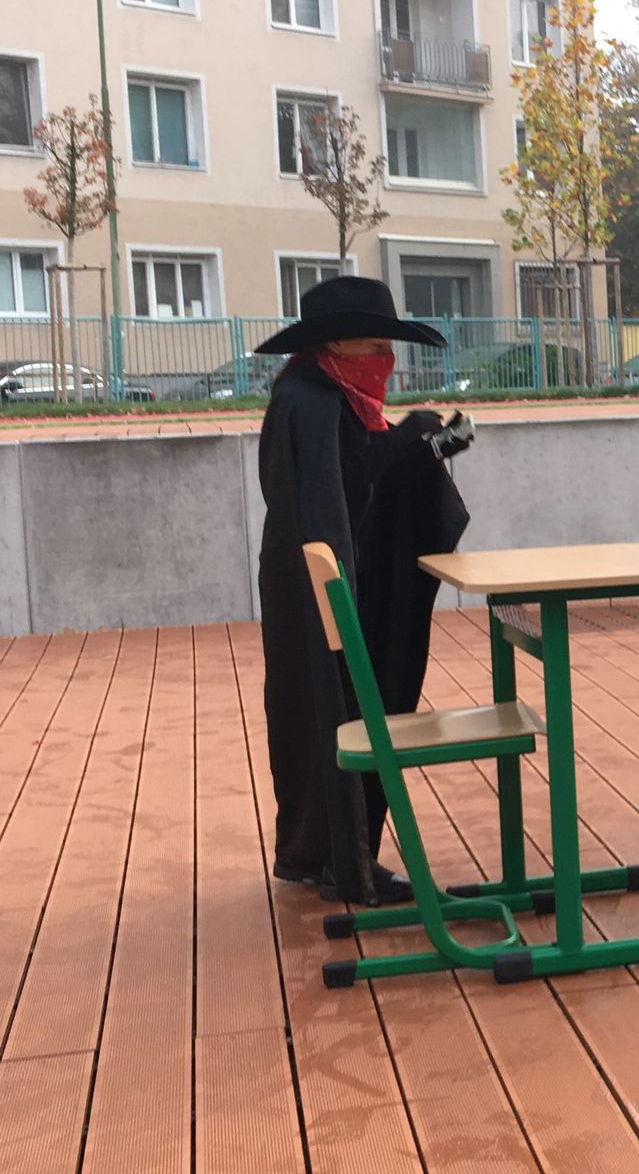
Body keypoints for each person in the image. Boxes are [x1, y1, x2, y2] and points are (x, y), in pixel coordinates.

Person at [255, 276, 475, 906]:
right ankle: (342, 861)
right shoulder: (312, 400)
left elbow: (357, 473)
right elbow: (337, 492)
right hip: (321, 593)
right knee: (329, 709)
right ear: (335, 345)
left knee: (315, 714)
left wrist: (421, 443)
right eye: (375, 346)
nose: (386, 359)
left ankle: (319, 854)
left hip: (308, 584)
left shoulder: (319, 392)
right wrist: (415, 439)